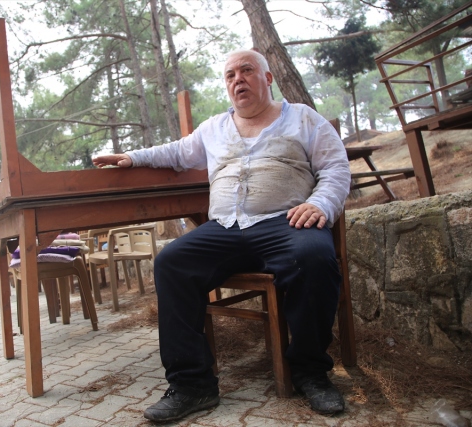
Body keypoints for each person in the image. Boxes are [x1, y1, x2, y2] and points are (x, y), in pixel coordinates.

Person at [92, 49, 351, 422]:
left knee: (312, 257)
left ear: (268, 78)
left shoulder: (303, 118)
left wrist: (320, 204)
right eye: (230, 75)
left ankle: (310, 373)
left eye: (246, 70)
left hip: (285, 222)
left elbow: (336, 168)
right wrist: (132, 157)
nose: (237, 79)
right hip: (225, 228)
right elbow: (176, 153)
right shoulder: (214, 127)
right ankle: (192, 385)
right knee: (172, 262)